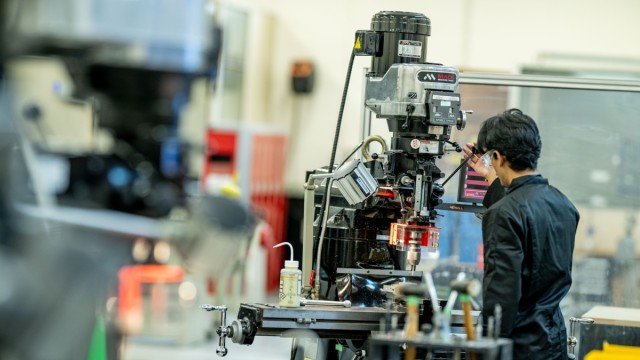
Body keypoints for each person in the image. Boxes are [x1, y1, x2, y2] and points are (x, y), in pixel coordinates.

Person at [464, 108, 579, 360]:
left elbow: (501, 297)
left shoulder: (503, 214)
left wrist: (482, 351)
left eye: (490, 158)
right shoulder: (564, 205)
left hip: (518, 349)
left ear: (498, 157)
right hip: (553, 342)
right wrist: (493, 180)